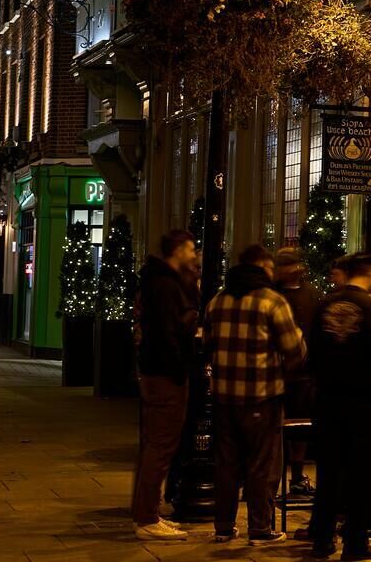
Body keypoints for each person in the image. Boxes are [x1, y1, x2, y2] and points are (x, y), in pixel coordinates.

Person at [205, 244, 306, 545]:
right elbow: (294, 350)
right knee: (262, 463)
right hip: (262, 395)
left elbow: (207, 344)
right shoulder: (271, 301)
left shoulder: (218, 300)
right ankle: (260, 528)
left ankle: (223, 525)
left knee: (226, 462)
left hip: (224, 395)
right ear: (263, 265)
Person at [308, 253, 371, 561]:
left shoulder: (323, 306)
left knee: (328, 471)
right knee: (360, 473)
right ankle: (355, 542)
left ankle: (322, 539)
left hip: (327, 398)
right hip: (365, 400)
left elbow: (309, 349)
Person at [131, 230, 199, 542]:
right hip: (165, 375)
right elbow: (167, 332)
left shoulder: (157, 280)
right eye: (191, 249)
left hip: (155, 371)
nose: (195, 254)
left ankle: (147, 513)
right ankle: (147, 517)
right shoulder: (166, 284)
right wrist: (178, 368)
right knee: (160, 446)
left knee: (153, 445)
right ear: (180, 250)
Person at [274, 247, 321, 495]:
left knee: (299, 426)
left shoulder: (311, 294)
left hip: (302, 372)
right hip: (276, 371)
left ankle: (296, 475)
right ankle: (270, 478)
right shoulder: (273, 294)